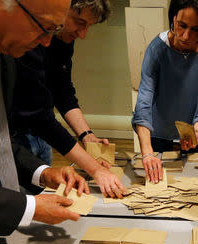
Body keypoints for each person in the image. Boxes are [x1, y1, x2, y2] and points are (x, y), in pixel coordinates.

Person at [0, 0, 89, 244]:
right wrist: (28, 207)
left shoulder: (4, 53)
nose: (46, 42)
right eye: (43, 28)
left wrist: (43, 173)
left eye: (54, 30)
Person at [10, 0, 125, 199]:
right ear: (60, 7)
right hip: (12, 138)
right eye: (79, 22)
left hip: (41, 137)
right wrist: (95, 169)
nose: (83, 34)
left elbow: (61, 89)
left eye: (88, 26)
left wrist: (86, 135)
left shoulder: (64, 39)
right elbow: (38, 115)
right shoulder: (28, 38)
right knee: (15, 205)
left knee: (42, 198)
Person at [131, 0, 198, 183]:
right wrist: (147, 152)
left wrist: (197, 130)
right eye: (181, 25)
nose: (185, 36)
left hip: (194, 137)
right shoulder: (158, 48)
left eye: (195, 30)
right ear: (173, 17)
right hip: (158, 137)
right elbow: (144, 101)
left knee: (190, 189)